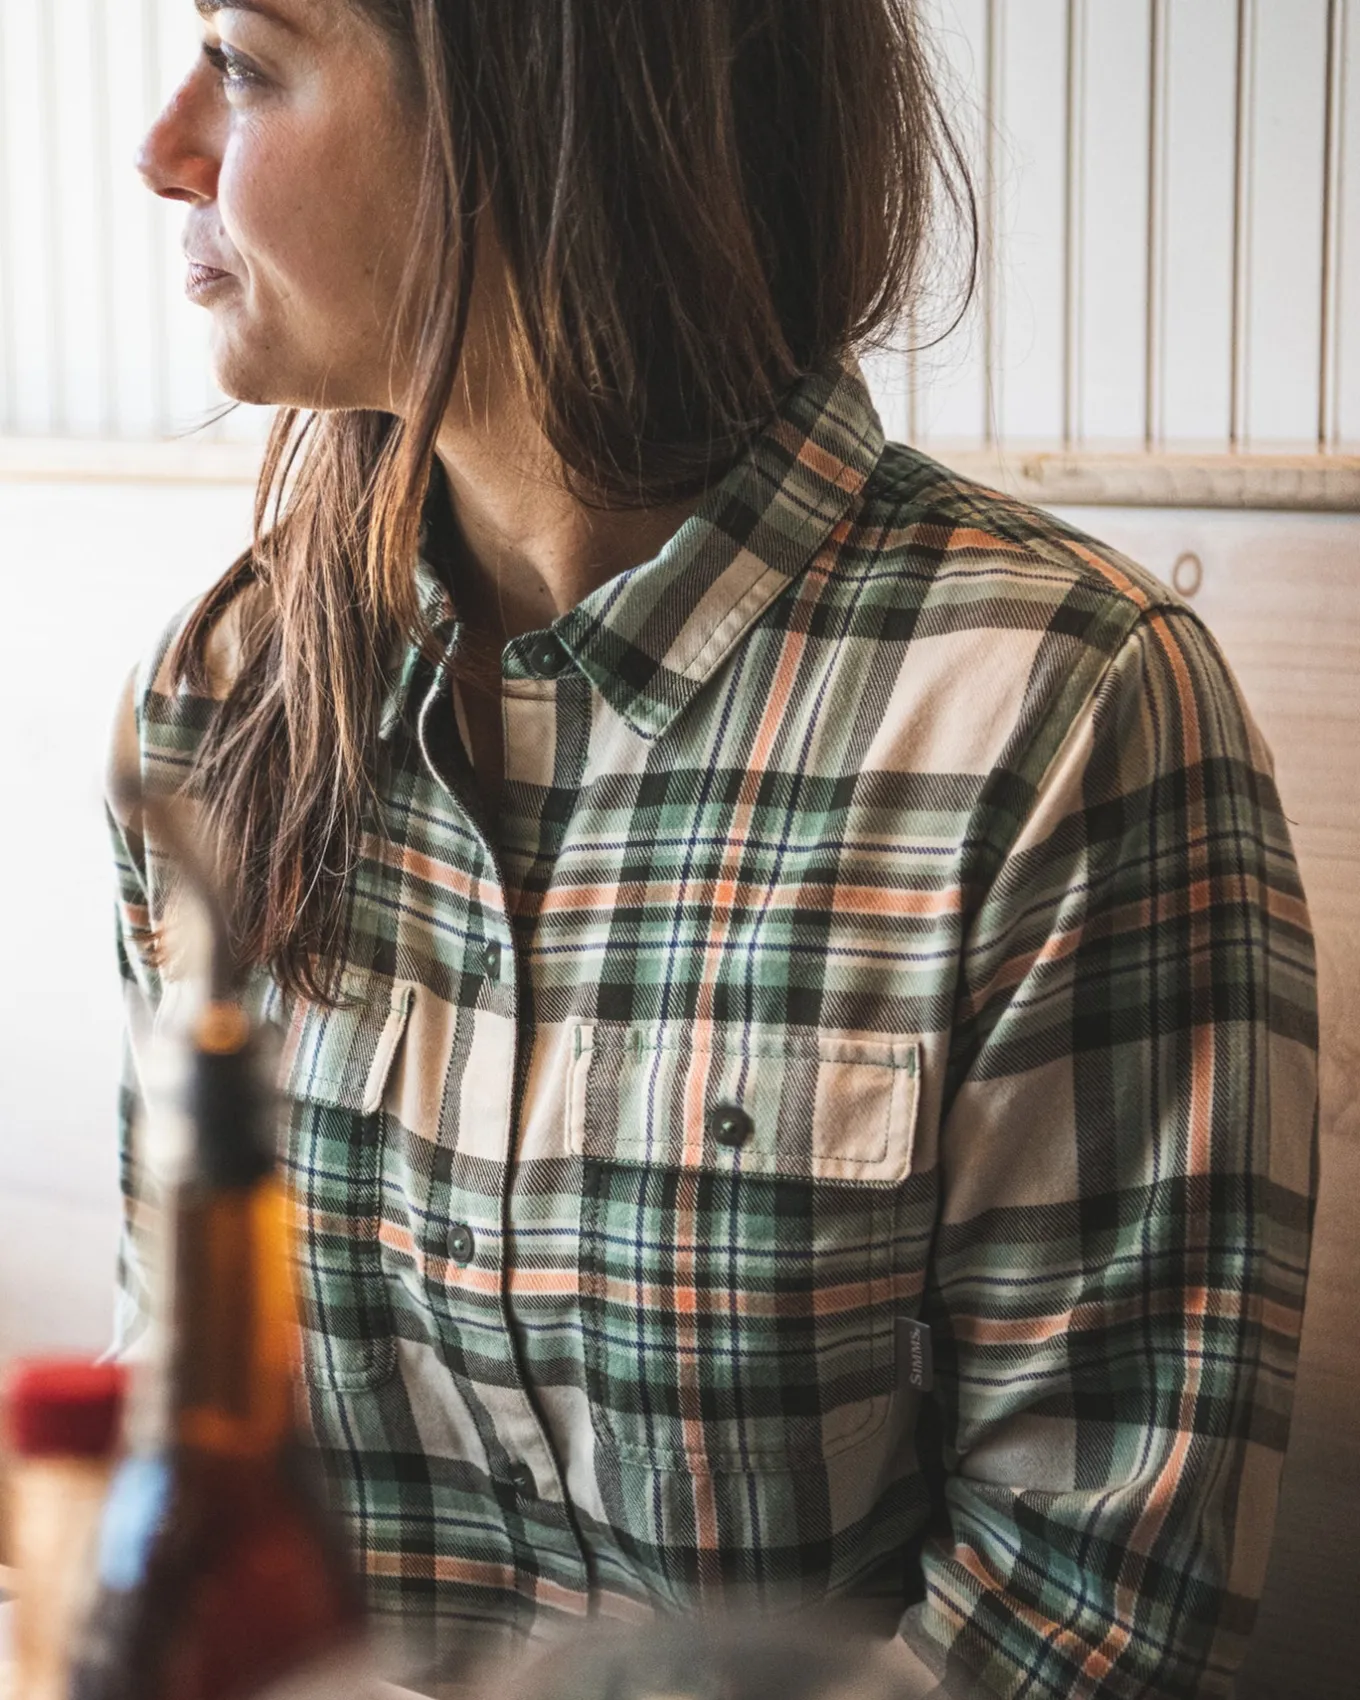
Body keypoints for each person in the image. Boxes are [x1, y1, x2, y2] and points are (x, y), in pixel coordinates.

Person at [111, 1, 1319, 1695]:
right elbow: (179, 1449)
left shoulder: (1061, 719)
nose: (164, 149)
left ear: (536, 106)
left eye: (242, 60)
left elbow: (1083, 1627)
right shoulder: (218, 704)